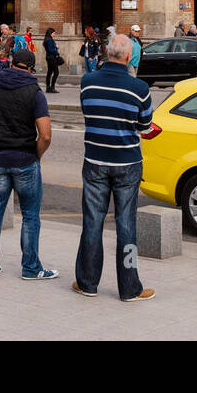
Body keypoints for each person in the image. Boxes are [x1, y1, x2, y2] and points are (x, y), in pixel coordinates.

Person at [74, 33, 154, 302]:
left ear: (107, 53)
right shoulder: (140, 89)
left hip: (95, 161)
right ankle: (130, 287)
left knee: (92, 222)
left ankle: (87, 282)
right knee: (126, 225)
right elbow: (144, 127)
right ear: (129, 57)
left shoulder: (87, 82)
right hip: (127, 164)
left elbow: (88, 113)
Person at [0, 48, 56, 280]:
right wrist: (35, 155)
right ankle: (30, 268)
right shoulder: (34, 91)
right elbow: (46, 135)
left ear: (11, 63)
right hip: (25, 159)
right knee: (30, 215)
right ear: (30, 68)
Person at [42, 27, 61, 94]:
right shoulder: (50, 40)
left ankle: (48, 87)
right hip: (52, 58)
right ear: (50, 33)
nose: (54, 34)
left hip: (49, 57)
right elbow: (50, 50)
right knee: (56, 72)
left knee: (49, 72)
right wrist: (56, 48)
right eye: (53, 33)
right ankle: (52, 87)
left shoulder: (47, 39)